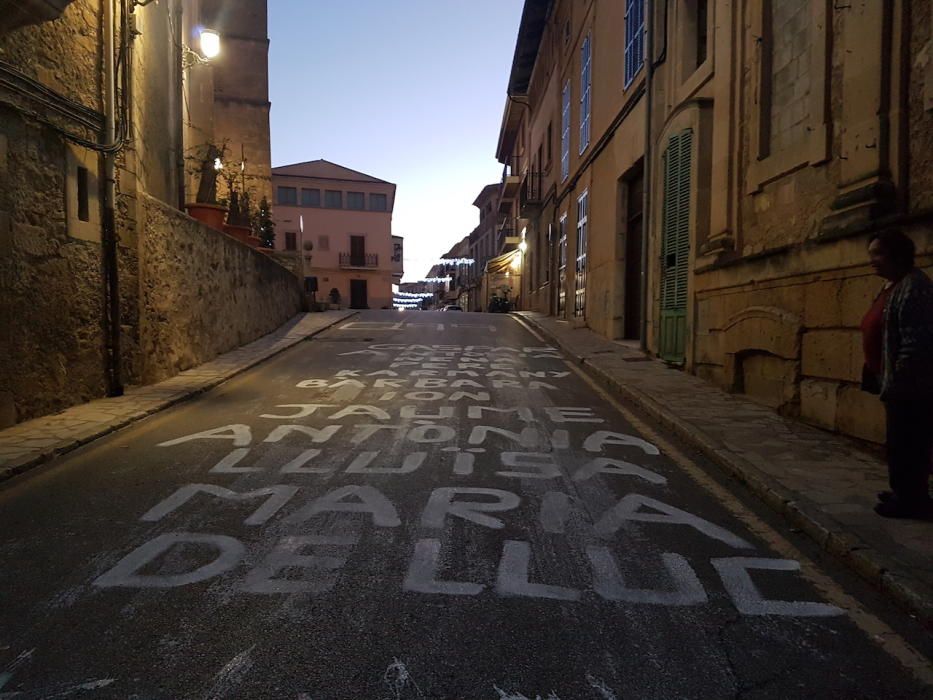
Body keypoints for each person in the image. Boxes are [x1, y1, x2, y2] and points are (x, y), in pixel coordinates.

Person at [861, 229, 933, 518]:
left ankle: (912, 501)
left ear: (897, 255)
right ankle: (903, 491)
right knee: (899, 442)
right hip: (894, 381)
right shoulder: (894, 285)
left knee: (909, 443)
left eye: (878, 254)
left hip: (910, 386)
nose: (872, 261)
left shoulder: (915, 287)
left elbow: (915, 343)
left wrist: (900, 380)